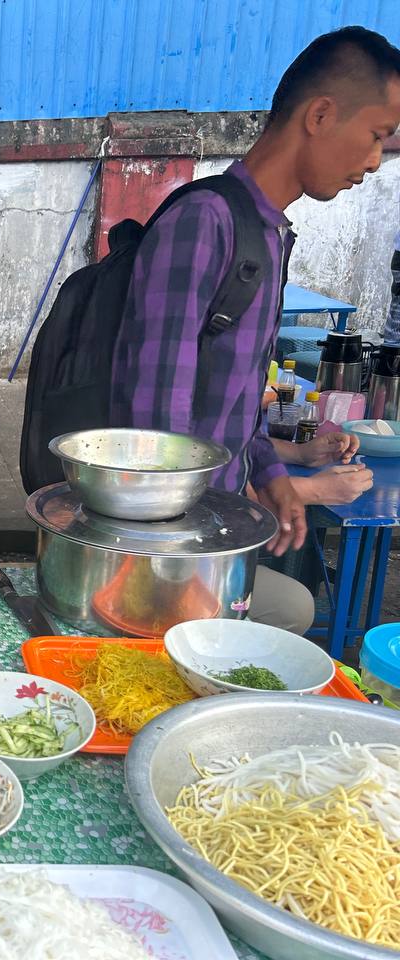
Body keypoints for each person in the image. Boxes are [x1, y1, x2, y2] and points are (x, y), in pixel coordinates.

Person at [110, 26, 400, 633]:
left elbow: (234, 405)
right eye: (377, 135)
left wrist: (272, 477)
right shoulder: (205, 223)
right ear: (320, 114)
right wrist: (265, 504)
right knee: (286, 614)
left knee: (291, 606)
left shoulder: (267, 236)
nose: (376, 161)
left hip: (207, 532)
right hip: (166, 546)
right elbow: (156, 436)